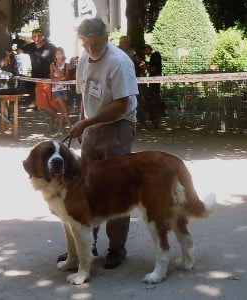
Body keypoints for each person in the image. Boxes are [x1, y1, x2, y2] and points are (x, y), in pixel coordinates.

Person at [60, 17, 139, 269]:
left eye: (96, 45)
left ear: (107, 38)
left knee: (116, 188)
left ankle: (116, 249)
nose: (92, 50)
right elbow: (86, 95)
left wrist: (86, 123)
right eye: (86, 45)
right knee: (87, 187)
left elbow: (121, 104)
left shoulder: (118, 62)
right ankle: (86, 246)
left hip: (118, 126)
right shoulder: (83, 59)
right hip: (93, 126)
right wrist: (82, 122)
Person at [19, 29, 59, 127]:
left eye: (38, 36)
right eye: (34, 36)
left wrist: (58, 72)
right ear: (32, 37)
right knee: (41, 104)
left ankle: (54, 123)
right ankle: (60, 119)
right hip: (36, 79)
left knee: (50, 103)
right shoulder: (30, 47)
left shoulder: (50, 47)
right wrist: (10, 54)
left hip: (49, 79)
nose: (36, 38)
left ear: (42, 36)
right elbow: (18, 51)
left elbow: (59, 57)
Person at [50, 47, 72, 132]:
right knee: (64, 108)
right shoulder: (52, 65)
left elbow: (67, 77)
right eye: (57, 54)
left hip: (65, 88)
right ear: (55, 55)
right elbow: (52, 78)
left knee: (63, 109)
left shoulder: (66, 65)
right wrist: (61, 77)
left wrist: (58, 72)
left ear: (63, 54)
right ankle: (71, 127)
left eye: (60, 53)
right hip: (56, 89)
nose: (59, 55)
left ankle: (60, 129)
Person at [143, 44, 165, 128]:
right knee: (155, 97)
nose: (145, 54)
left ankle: (155, 118)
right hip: (156, 80)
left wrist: (145, 67)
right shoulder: (156, 55)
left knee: (154, 98)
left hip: (154, 80)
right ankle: (156, 117)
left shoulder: (154, 56)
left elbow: (152, 69)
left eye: (145, 52)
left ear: (147, 49)